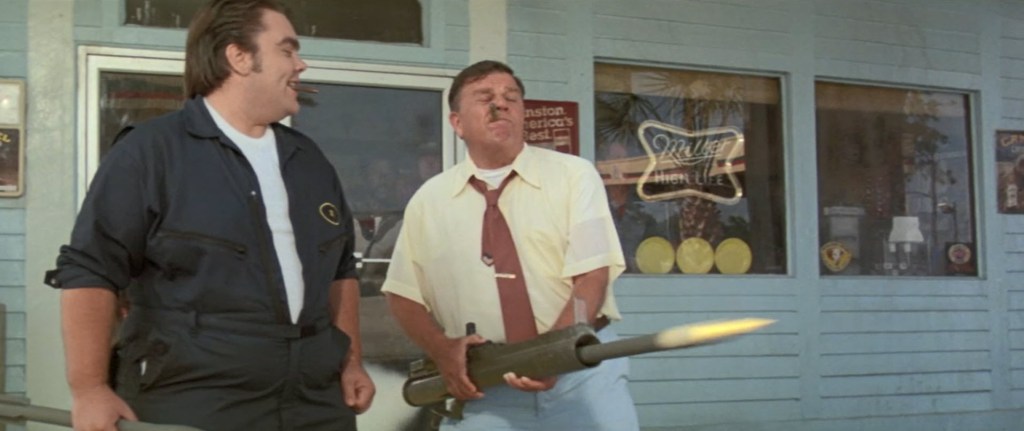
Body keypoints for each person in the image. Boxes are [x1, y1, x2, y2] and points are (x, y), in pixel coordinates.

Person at [45, 1, 374, 430]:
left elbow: (340, 269)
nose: (301, 64)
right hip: (195, 401)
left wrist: (351, 362)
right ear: (239, 57)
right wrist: (89, 388)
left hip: (315, 402)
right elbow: (91, 269)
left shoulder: (308, 160)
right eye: (287, 50)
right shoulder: (151, 152)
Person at [382, 60, 640, 430]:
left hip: (580, 372)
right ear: (457, 123)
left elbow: (591, 277)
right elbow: (403, 295)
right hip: (486, 383)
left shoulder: (573, 176)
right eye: (485, 97)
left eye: (511, 97)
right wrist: (442, 350)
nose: (500, 104)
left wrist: (552, 354)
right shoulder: (429, 201)